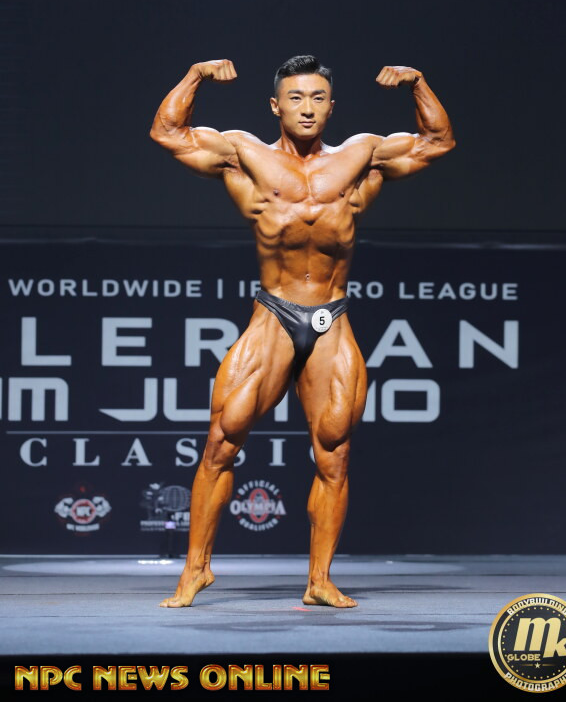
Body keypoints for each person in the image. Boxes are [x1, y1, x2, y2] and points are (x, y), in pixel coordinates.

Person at [149, 54, 456, 608]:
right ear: (276, 106)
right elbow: (168, 133)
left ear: (332, 107)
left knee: (333, 453)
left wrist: (418, 83)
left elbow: (437, 142)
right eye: (295, 98)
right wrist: (194, 75)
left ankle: (319, 580)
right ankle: (195, 570)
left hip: (330, 316)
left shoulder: (361, 156)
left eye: (317, 98)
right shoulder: (244, 153)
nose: (307, 108)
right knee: (222, 440)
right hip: (274, 312)